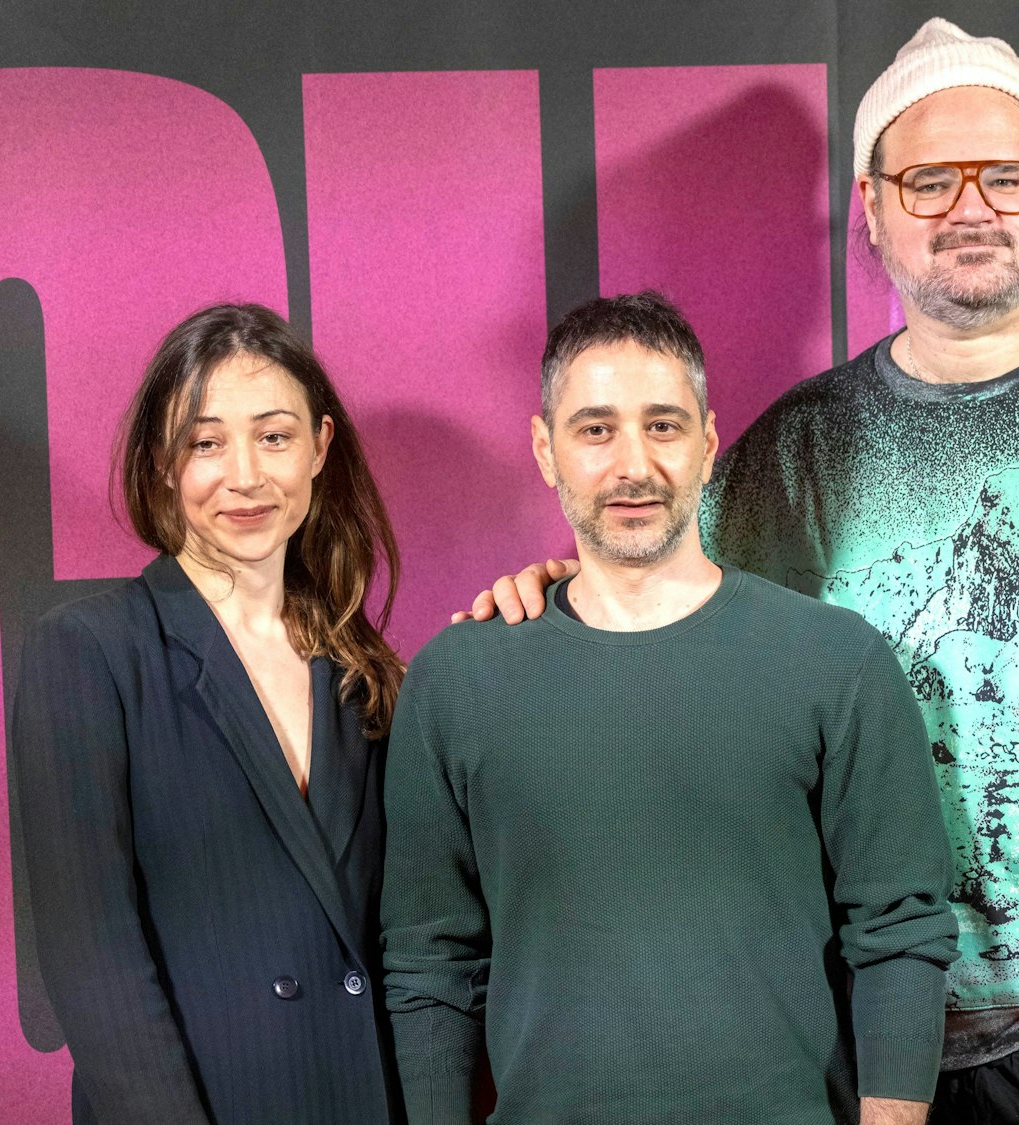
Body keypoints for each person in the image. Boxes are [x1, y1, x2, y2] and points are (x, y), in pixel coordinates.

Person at [458, 19, 1019, 1122]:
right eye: (927, 181)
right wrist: (551, 596)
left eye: (1003, 175)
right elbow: (663, 603)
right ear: (873, 208)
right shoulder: (793, 452)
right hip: (871, 1050)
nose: (969, 207)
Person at [381, 292, 958, 1125]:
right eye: (595, 429)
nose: (634, 465)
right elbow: (430, 959)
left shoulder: (837, 661)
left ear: (708, 444)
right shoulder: (455, 680)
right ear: (545, 449)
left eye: (663, 425)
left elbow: (900, 926)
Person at [10, 304, 404, 1124]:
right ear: (162, 462)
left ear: (320, 446)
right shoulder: (89, 653)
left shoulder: (361, 667)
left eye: (274, 436)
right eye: (206, 443)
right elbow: (94, 968)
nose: (246, 476)